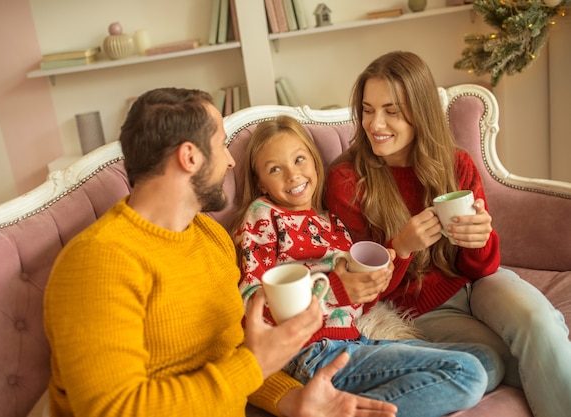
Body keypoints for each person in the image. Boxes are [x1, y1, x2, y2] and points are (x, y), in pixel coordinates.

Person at [43, 87, 399, 417]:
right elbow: (113, 410)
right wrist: (254, 366)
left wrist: (295, 401)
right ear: (190, 157)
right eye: (221, 144)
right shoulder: (98, 260)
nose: (231, 161)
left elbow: (231, 357)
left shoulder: (210, 237)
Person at [324, 50, 571, 417]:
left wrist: (481, 238)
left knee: (543, 324)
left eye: (392, 111)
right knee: (511, 362)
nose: (375, 123)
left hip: (478, 284)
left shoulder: (456, 164)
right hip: (422, 305)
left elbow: (483, 268)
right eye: (368, 109)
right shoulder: (348, 179)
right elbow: (364, 293)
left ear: (420, 112)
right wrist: (401, 247)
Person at [233, 115, 504, 417]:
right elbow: (250, 301)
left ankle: (347, 407)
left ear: (314, 160)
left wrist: (376, 280)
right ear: (261, 183)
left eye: (299, 160)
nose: (293, 175)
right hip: (309, 352)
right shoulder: (263, 214)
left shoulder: (333, 224)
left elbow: (357, 303)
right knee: (469, 374)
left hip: (352, 342)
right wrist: (335, 289)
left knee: (489, 360)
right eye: (275, 169)